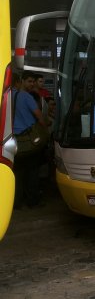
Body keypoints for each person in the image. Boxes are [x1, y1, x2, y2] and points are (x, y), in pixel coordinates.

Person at [12, 71, 48, 208]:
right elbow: (39, 116)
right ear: (19, 82)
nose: (32, 84)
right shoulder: (26, 96)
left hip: (14, 142)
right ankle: (33, 201)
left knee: (18, 173)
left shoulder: (6, 98)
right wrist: (45, 131)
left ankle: (16, 203)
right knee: (32, 172)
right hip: (30, 141)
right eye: (30, 81)